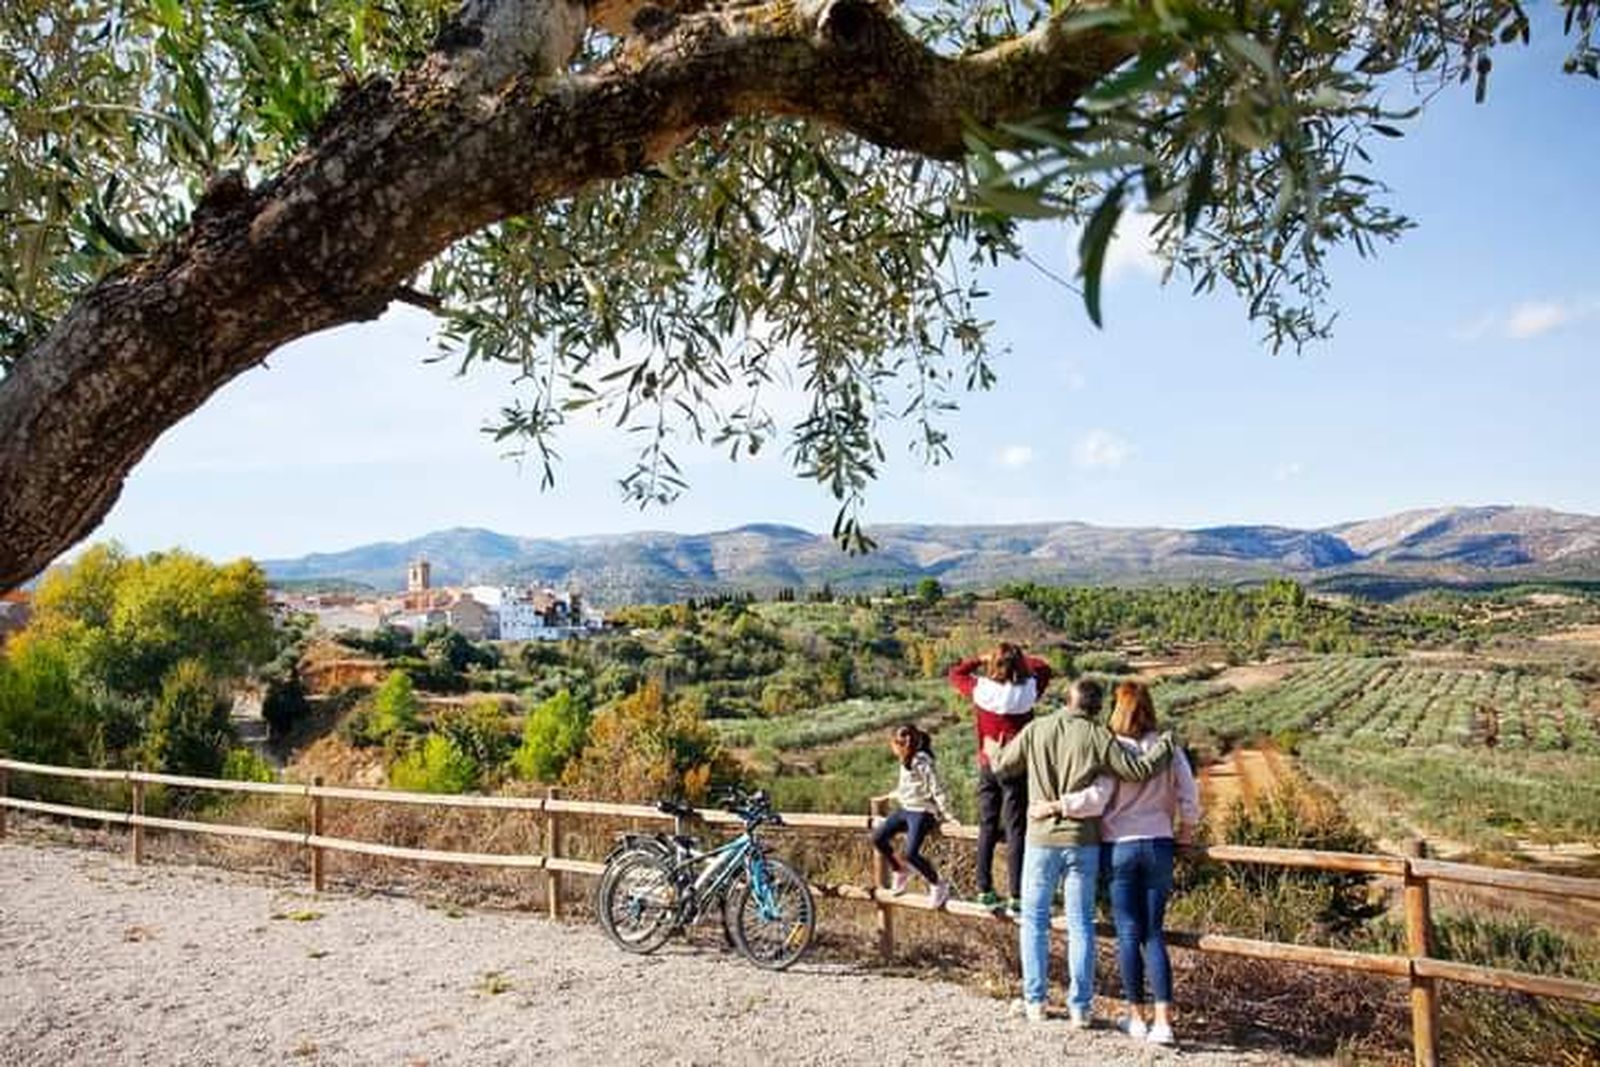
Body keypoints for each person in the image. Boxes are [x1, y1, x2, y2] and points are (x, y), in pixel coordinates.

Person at [986, 678, 1174, 1028]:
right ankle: (1080, 1007)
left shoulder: (1036, 729)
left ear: (1067, 701)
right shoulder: (1098, 736)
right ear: (1097, 707)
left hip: (1041, 839)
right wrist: (1166, 747)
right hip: (1082, 840)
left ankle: (1035, 1001)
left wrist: (993, 747)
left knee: (1034, 921)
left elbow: (1003, 767)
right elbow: (1136, 770)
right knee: (1080, 925)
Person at [1034, 680, 1200, 1045]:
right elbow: (1189, 794)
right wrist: (1185, 832)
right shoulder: (1168, 748)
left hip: (1119, 847)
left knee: (1127, 934)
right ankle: (1164, 1023)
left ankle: (1136, 1018)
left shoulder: (1113, 749)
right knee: (1154, 934)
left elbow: (1096, 798)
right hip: (1159, 843)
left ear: (1118, 709)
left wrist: (1057, 806)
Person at [948, 642, 1052, 916]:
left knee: (988, 826)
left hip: (988, 762)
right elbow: (1044, 667)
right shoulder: (1028, 691)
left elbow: (956, 674)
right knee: (1017, 829)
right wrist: (1020, 660)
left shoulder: (982, 690)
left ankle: (985, 889)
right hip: (1017, 765)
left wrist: (980, 658)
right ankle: (1017, 894)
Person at [871, 724, 960, 907]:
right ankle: (900, 870)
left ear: (902, 744)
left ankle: (937, 884)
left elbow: (937, 788)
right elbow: (908, 787)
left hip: (922, 812)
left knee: (910, 853)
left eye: (893, 744)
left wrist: (948, 815)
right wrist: (889, 795)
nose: (892, 748)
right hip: (906, 809)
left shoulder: (923, 762)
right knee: (878, 837)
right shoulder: (905, 760)